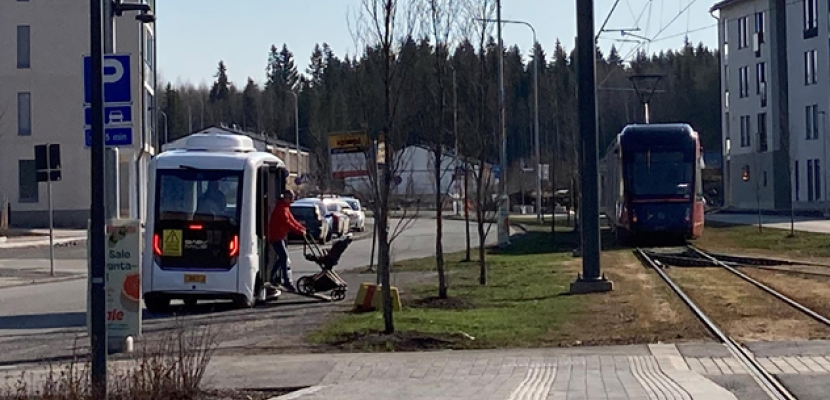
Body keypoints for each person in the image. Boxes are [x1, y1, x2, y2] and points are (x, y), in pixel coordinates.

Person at [267, 189, 306, 292]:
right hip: (276, 236)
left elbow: (293, 220)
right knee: (283, 257)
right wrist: (299, 231)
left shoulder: (285, 207)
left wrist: (302, 228)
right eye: (291, 198)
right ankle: (286, 281)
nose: (292, 200)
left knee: (282, 258)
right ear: (286, 198)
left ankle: (273, 277)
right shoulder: (281, 208)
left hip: (280, 236)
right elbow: (288, 223)